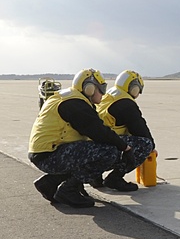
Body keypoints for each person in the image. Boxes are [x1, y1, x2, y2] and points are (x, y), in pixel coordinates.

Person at [28, 68, 133, 208]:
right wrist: (124, 147)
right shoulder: (76, 104)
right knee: (109, 152)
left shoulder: (70, 98)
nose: (103, 92)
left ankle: (49, 183)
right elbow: (99, 132)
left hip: (46, 153)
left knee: (89, 152)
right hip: (50, 156)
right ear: (89, 88)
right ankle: (68, 190)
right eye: (101, 88)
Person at [96, 70, 156, 192]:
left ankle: (95, 177)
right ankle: (115, 178)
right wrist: (152, 146)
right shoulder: (126, 103)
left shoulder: (110, 94)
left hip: (94, 142)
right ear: (133, 87)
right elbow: (139, 128)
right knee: (145, 145)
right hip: (105, 146)